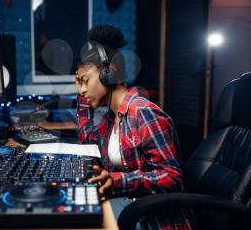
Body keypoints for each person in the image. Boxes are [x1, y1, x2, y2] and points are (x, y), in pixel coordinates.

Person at [75, 25, 194, 229]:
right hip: (132, 206)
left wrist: (118, 181)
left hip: (156, 220)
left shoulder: (143, 113)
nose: (82, 90)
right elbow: (88, 143)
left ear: (107, 74)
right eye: (78, 85)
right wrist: (84, 99)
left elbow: (171, 176)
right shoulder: (110, 120)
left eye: (84, 81)